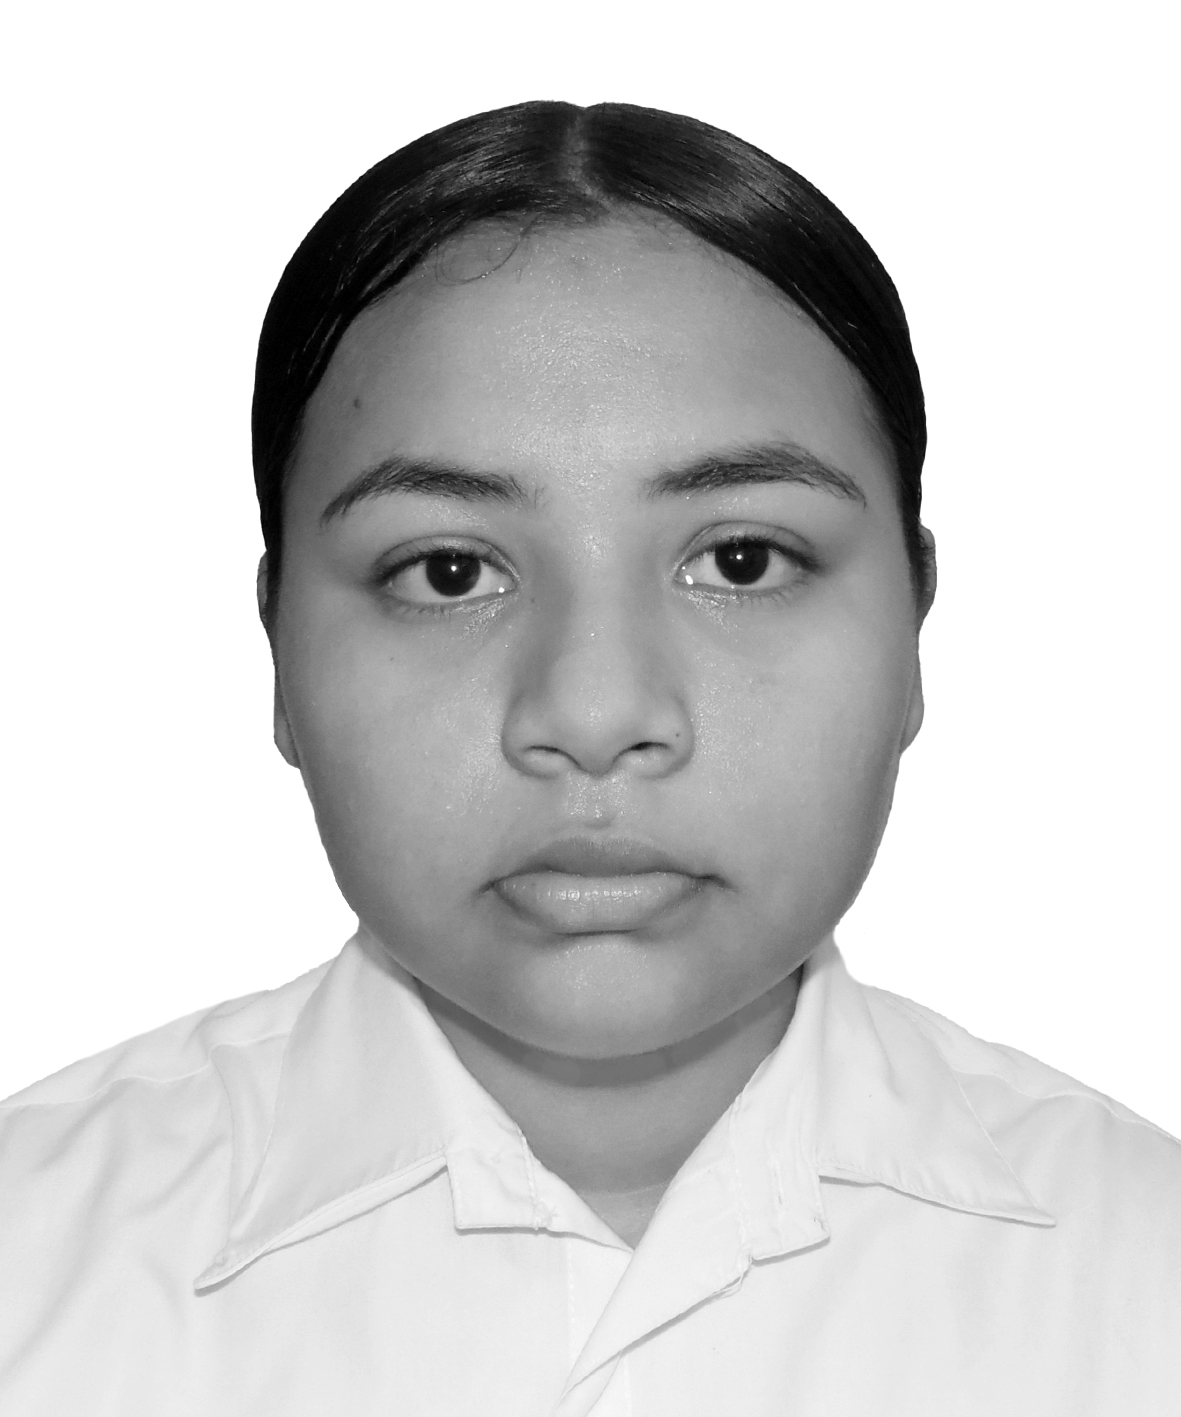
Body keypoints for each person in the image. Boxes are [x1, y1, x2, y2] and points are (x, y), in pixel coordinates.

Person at [0, 100, 1177, 1416]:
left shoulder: (1147, 1281)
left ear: (914, 624)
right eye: (449, 572)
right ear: (278, 644)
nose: (595, 708)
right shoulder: (28, 1270)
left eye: (742, 559)